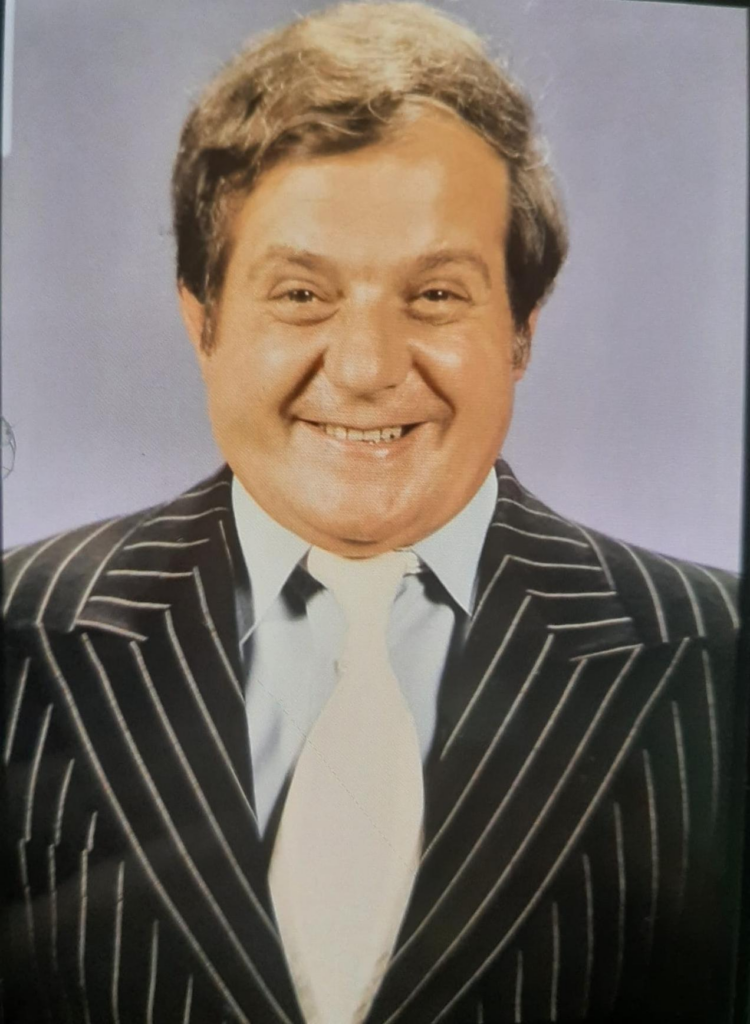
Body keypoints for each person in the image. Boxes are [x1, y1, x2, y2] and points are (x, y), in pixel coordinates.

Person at [2, 4, 740, 1022]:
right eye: (301, 295)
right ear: (201, 322)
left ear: (521, 332)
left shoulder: (719, 654)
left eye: (435, 296)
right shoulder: (17, 629)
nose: (364, 368)